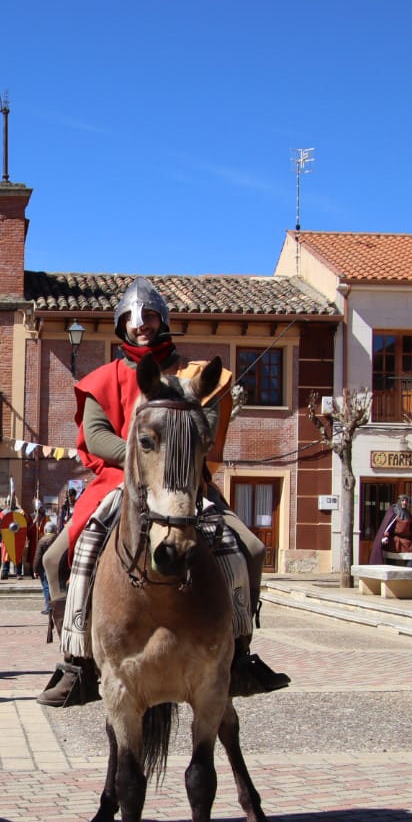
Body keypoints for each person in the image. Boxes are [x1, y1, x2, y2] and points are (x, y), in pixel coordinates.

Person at [38, 277, 288, 706]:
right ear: (122, 326)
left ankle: (241, 654)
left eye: (149, 316)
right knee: (56, 556)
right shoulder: (103, 379)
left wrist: (170, 459)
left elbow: (205, 432)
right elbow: (96, 437)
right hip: (118, 480)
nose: (142, 325)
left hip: (186, 481)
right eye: (133, 319)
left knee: (249, 548)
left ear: (163, 320)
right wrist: (140, 459)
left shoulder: (193, 377)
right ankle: (76, 661)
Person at [367, 494, 412, 571]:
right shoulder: (394, 511)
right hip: (394, 542)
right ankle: (392, 580)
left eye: (406, 501)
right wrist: (385, 536)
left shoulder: (408, 514)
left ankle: (410, 579)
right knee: (392, 564)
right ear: (399, 501)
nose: (404, 502)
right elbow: (388, 526)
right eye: (402, 500)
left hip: (407, 542)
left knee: (411, 561)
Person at [34, 514, 60, 615]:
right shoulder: (58, 538)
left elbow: (37, 557)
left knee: (46, 587)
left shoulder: (42, 541)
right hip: (56, 567)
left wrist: (35, 570)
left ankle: (49, 607)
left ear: (45, 530)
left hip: (45, 568)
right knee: (56, 587)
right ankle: (57, 607)